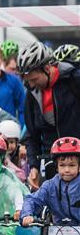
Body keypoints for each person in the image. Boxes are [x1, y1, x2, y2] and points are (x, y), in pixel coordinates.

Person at [17, 42, 80, 190]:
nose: (31, 84)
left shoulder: (74, 79)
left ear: (47, 68)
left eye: (34, 79)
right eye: (28, 81)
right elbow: (32, 135)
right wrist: (34, 166)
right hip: (54, 164)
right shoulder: (32, 93)